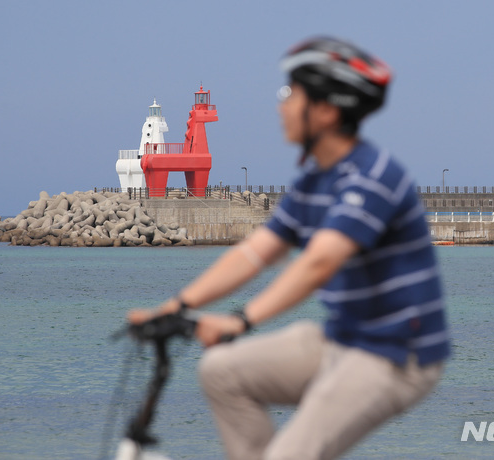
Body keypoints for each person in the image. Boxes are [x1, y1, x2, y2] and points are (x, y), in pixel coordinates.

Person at [127, 36, 450, 460]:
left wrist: (240, 320)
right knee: (220, 371)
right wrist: (176, 306)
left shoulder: (372, 177)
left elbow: (318, 263)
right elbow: (254, 253)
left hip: (395, 356)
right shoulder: (313, 181)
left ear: (327, 110)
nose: (280, 106)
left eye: (289, 95)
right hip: (340, 341)